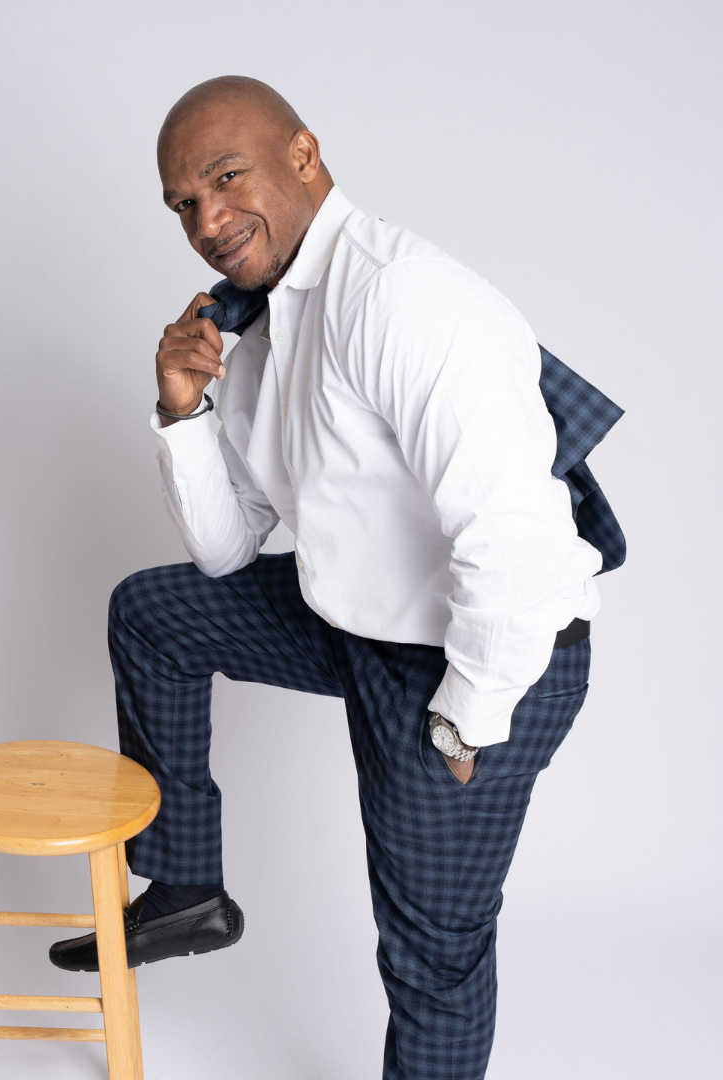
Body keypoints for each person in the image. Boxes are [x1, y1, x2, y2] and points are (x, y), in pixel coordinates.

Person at [49, 76, 622, 1080]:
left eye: (226, 179)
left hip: (484, 656)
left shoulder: (404, 299)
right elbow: (229, 551)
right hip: (358, 622)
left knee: (431, 951)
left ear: (304, 155)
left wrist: (466, 720)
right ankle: (186, 887)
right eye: (184, 203)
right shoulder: (263, 330)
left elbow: (516, 542)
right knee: (154, 614)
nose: (207, 222)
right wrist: (182, 411)